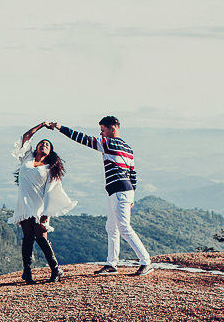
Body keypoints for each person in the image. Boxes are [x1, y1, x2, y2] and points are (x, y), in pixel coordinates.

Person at [47, 115, 152, 275]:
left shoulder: (108, 143)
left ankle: (146, 261)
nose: (101, 133)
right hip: (122, 191)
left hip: (119, 191)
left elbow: (82, 139)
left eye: (103, 130)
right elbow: (133, 174)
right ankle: (112, 263)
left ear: (113, 129)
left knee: (124, 227)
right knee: (112, 227)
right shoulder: (128, 148)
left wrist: (60, 128)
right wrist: (132, 195)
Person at [9, 122, 77, 284]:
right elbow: (26, 137)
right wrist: (41, 125)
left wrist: (46, 214)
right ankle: (27, 271)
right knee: (27, 237)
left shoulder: (50, 168)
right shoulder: (27, 157)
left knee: (41, 237)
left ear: (50, 151)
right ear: (37, 147)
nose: (44, 145)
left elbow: (51, 192)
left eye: (47, 145)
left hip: (39, 205)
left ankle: (55, 269)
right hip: (24, 204)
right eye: (41, 143)